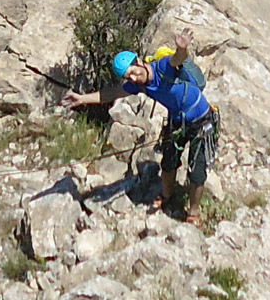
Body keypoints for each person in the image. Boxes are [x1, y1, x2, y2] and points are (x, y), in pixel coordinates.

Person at [62, 29, 219, 221]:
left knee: (196, 173)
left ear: (139, 62)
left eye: (134, 73)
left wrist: (181, 48)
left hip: (202, 121)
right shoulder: (139, 85)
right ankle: (167, 197)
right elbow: (111, 94)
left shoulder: (162, 67)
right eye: (129, 78)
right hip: (177, 121)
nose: (134, 79)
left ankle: (193, 214)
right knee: (168, 164)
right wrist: (82, 99)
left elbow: (176, 60)